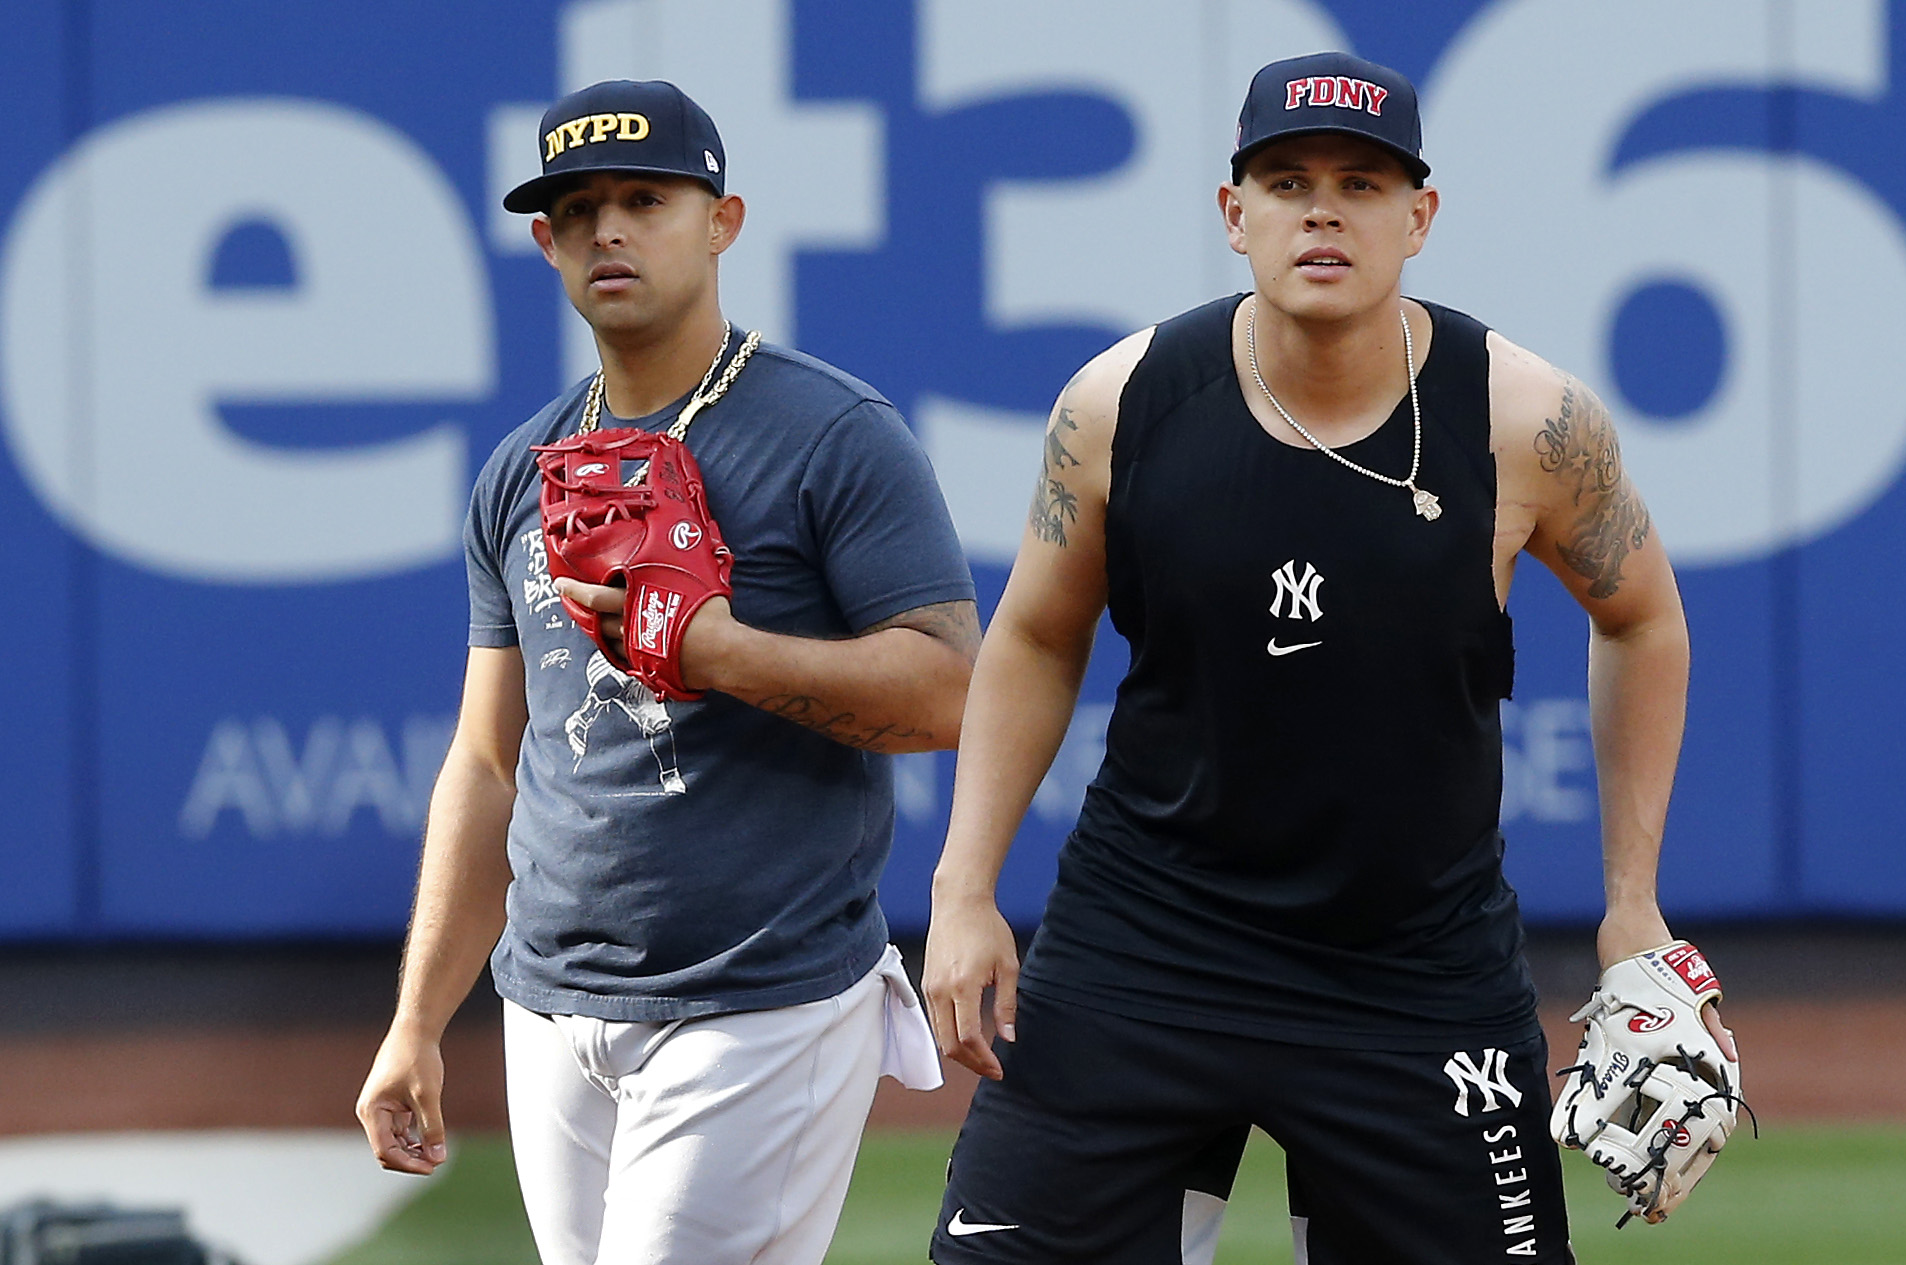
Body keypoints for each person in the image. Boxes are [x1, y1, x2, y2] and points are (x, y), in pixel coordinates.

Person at [921, 51, 1737, 1264]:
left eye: (1362, 182)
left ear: (1420, 217)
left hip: (1412, 963)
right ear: (1232, 212)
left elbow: (1643, 616)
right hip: (1150, 937)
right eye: (1286, 178)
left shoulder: (1526, 420)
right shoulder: (1119, 405)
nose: (1322, 208)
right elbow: (1038, 632)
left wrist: (1632, 903)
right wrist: (962, 888)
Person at [355, 79, 975, 1265]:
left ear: (723, 221)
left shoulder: (832, 434)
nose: (609, 231)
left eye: (646, 198)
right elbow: (489, 761)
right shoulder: (519, 469)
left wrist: (718, 652)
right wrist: (416, 1019)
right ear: (545, 242)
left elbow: (952, 692)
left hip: (761, 995)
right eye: (578, 209)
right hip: (548, 1000)